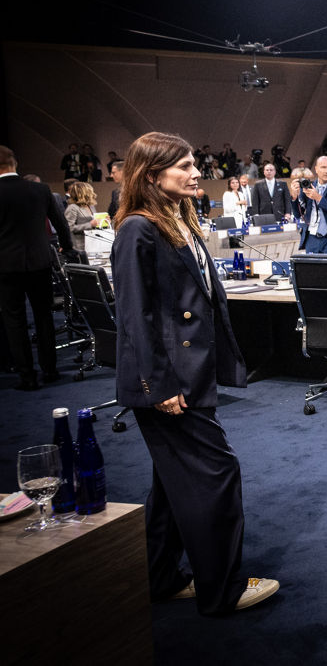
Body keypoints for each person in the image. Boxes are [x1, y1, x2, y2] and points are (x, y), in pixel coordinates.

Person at [111, 131, 279, 615]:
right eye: (183, 167)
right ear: (152, 174)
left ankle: (160, 578)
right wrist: (159, 385)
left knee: (173, 482)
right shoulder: (138, 229)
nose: (194, 173)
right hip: (168, 382)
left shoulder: (176, 220)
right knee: (216, 474)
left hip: (191, 373)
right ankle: (223, 590)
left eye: (193, 165)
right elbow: (135, 318)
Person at [0, 146, 74, 389]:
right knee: (44, 316)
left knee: (15, 320)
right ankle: (50, 370)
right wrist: (65, 247)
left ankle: (27, 376)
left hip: (6, 266)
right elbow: (60, 225)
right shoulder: (40, 189)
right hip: (40, 261)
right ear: (15, 163)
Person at [63, 181, 98, 256]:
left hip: (93, 243)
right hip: (79, 246)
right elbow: (69, 228)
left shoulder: (91, 206)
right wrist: (89, 224)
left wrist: (102, 220)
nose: (92, 194)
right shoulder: (72, 208)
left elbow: (94, 222)